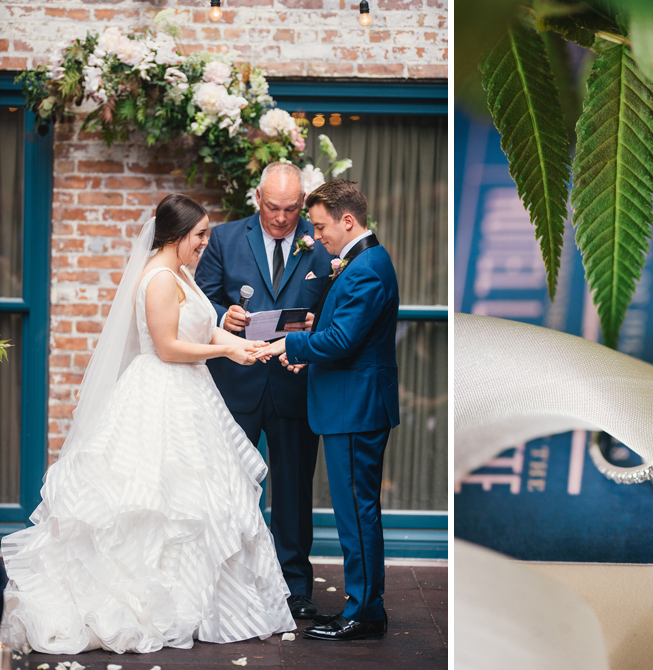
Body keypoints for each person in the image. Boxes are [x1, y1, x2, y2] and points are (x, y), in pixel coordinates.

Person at [0, 194, 295, 654]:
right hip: (162, 393)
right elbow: (168, 348)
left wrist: (243, 345)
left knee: (201, 502)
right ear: (176, 236)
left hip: (192, 395)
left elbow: (204, 326)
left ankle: (202, 602)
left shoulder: (181, 274)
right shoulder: (157, 279)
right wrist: (225, 351)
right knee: (160, 501)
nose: (206, 242)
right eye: (199, 235)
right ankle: (152, 603)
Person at [255, 180, 400, 641]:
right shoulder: (361, 263)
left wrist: (291, 343)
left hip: (354, 408)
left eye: (320, 227)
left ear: (347, 220)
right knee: (356, 512)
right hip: (348, 403)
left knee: (357, 514)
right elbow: (342, 331)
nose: (317, 238)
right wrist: (310, 343)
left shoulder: (365, 269)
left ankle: (364, 613)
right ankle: (365, 605)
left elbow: (342, 342)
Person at [194, 162, 334, 620]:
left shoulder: (320, 249)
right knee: (230, 489)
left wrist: (317, 323)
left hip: (293, 384)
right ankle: (227, 585)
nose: (281, 218)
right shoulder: (225, 238)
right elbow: (199, 298)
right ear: (258, 199)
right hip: (237, 386)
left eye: (291, 209)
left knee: (293, 493)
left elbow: (335, 313)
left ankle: (295, 590)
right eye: (273, 207)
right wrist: (223, 316)